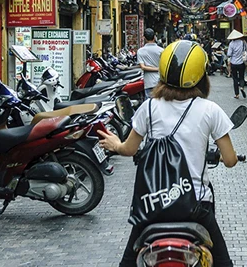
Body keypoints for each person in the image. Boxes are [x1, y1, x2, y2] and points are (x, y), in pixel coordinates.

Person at [98, 40, 238, 267]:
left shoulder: (149, 107)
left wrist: (115, 144)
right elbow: (230, 160)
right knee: (223, 262)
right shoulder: (210, 110)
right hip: (197, 206)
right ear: (201, 75)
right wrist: (223, 157)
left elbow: (129, 149)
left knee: (127, 262)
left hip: (154, 203)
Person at [136, 28, 163, 100]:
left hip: (149, 82)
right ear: (154, 37)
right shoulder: (161, 50)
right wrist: (158, 69)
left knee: (149, 103)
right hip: (160, 81)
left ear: (144, 38)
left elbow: (143, 67)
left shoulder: (140, 51)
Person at [226, 30, 247, 99]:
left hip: (234, 63)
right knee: (241, 77)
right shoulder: (243, 42)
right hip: (241, 63)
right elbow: (246, 51)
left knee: (235, 78)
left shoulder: (231, 44)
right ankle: (242, 87)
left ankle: (237, 94)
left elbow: (229, 54)